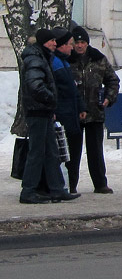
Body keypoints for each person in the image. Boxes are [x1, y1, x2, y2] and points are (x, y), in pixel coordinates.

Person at [18, 28, 76, 204]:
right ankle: (28, 191)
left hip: (44, 111)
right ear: (44, 42)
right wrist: (50, 100)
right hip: (38, 112)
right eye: (51, 41)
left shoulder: (42, 56)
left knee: (51, 151)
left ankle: (57, 189)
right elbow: (35, 85)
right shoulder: (35, 58)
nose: (54, 43)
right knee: (37, 151)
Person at [69, 26, 118, 194]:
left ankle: (100, 183)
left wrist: (108, 98)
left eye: (83, 42)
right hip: (73, 114)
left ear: (87, 44)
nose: (80, 46)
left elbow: (113, 80)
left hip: (95, 112)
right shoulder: (67, 59)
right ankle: (70, 184)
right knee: (72, 152)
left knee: (95, 151)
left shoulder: (98, 59)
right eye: (77, 42)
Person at [49, 28, 85, 194]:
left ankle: (70, 185)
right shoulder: (56, 63)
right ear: (61, 45)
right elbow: (62, 90)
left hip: (71, 114)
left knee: (72, 152)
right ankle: (65, 186)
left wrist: (81, 107)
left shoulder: (63, 62)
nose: (72, 47)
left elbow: (72, 89)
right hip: (63, 115)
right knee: (65, 153)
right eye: (70, 44)